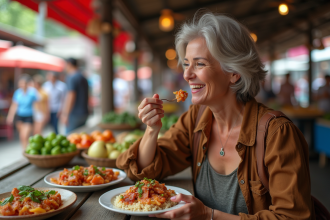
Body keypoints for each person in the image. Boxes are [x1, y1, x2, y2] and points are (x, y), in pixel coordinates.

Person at [117, 13, 315, 219]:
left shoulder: (277, 134)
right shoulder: (196, 117)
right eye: (186, 64)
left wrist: (208, 215)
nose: (186, 74)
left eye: (199, 64)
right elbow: (143, 171)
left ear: (233, 72)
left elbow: (293, 217)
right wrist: (152, 130)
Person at [6, 74, 39, 149]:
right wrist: (10, 116)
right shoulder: (17, 93)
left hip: (29, 116)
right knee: (23, 136)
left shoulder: (32, 93)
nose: (22, 85)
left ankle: (25, 151)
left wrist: (39, 117)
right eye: (21, 83)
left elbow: (37, 105)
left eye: (23, 83)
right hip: (20, 116)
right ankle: (26, 149)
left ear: (27, 84)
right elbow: (14, 105)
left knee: (24, 135)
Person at [60, 58, 89, 134]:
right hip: (84, 112)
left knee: (70, 138)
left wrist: (65, 114)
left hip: (74, 114)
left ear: (69, 64)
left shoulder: (71, 77)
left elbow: (71, 95)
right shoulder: (83, 77)